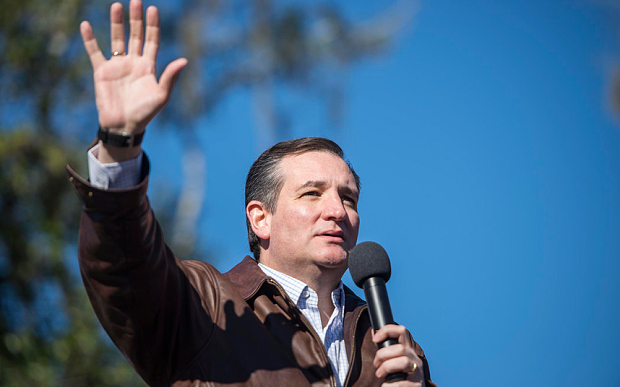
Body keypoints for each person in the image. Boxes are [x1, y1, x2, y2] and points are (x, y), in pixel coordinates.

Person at [68, 1, 437, 386]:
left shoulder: (396, 350)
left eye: (349, 199)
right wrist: (119, 144)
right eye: (312, 194)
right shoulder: (206, 307)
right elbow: (123, 267)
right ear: (261, 217)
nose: (337, 211)